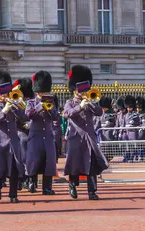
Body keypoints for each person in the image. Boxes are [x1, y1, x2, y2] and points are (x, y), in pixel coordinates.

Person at [63, 65, 108, 200]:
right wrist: (80, 106)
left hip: (89, 137)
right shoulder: (69, 102)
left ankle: (92, 191)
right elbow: (67, 114)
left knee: (92, 165)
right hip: (75, 138)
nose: (82, 92)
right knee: (74, 164)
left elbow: (99, 112)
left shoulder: (89, 100)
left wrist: (90, 103)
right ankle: (72, 185)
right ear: (74, 90)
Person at [0, 71, 26, 203]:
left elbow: (24, 118)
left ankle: (13, 194)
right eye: (2, 93)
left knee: (14, 170)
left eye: (6, 93)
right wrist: (4, 111)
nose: (5, 95)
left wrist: (17, 107)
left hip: (13, 142)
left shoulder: (13, 106)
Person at [25, 70, 60, 195]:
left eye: (46, 91)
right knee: (34, 161)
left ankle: (47, 187)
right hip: (36, 135)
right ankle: (32, 183)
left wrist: (49, 108)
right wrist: (40, 106)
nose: (44, 93)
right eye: (42, 92)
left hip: (48, 135)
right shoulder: (30, 102)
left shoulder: (51, 101)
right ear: (37, 91)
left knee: (49, 162)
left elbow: (56, 117)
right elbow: (28, 115)